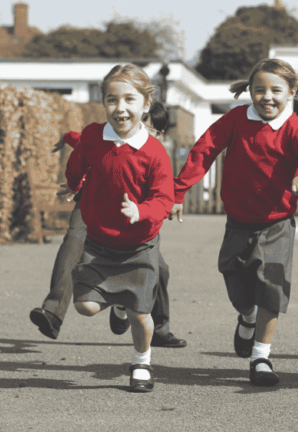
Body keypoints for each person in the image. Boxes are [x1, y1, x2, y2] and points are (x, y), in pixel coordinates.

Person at [169, 59, 298, 386]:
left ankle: (261, 358)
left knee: (272, 287)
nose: (267, 97)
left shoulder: (294, 127)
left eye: (276, 90)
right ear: (250, 92)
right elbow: (203, 151)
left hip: (277, 226)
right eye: (260, 90)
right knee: (238, 290)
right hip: (238, 224)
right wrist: (178, 190)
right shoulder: (236, 120)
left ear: (292, 93)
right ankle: (247, 318)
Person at [29, 102, 187, 349]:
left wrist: (173, 201)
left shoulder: (154, 154)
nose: (138, 131)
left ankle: (156, 327)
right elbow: (79, 139)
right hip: (93, 204)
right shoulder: (108, 137)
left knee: (161, 269)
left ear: (160, 134)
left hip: (131, 217)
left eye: (148, 128)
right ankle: (53, 311)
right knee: (73, 241)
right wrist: (64, 138)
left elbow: (166, 190)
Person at [64, 64, 175, 392]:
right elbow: (78, 164)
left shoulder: (154, 152)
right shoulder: (93, 136)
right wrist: (74, 183)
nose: (120, 108)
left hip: (139, 244)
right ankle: (120, 305)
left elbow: (164, 198)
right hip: (98, 241)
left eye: (129, 99)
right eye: (112, 100)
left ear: (146, 103)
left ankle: (141, 362)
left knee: (141, 312)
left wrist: (141, 210)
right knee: (85, 306)